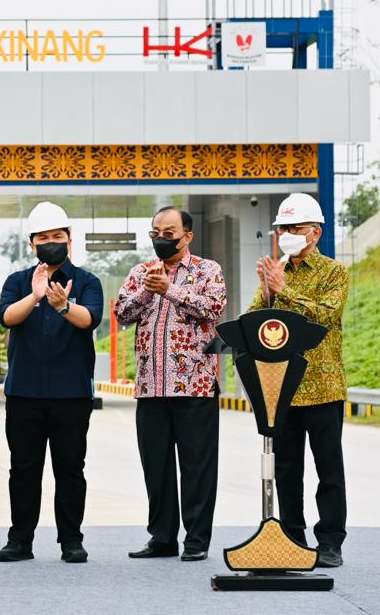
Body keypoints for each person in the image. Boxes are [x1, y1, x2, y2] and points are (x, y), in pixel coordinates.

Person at [115, 206, 227, 562]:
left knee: (197, 468)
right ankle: (162, 538)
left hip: (194, 386)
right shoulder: (141, 271)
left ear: (187, 236)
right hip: (150, 388)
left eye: (168, 233)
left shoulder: (208, 270)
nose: (161, 239)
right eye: (155, 233)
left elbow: (214, 308)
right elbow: (121, 313)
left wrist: (171, 290)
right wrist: (149, 291)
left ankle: (196, 540)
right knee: (156, 467)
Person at [0, 202, 103, 564]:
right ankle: (20, 540)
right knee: (23, 470)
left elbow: (89, 319)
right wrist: (36, 295)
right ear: (32, 244)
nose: (51, 242)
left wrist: (61, 305)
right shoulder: (17, 281)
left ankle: (71, 540)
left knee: (70, 470)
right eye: (43, 237)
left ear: (69, 239)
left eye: (57, 236)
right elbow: (7, 318)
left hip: (70, 394)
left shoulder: (87, 281)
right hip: (24, 393)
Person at [248, 192, 349, 568]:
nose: (286, 233)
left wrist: (285, 291)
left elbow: (324, 317)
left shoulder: (333, 273)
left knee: (328, 468)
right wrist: (269, 291)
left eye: (294, 227)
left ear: (315, 232)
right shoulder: (276, 271)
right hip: (283, 389)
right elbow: (252, 320)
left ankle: (330, 542)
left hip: (323, 388)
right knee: (288, 469)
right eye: (282, 228)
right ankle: (292, 536)